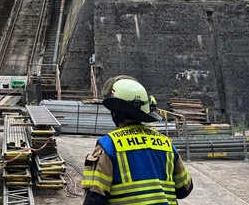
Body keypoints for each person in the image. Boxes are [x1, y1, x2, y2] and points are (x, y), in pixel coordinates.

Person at [81, 75, 193, 205]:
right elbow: (184, 189)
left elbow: (94, 199)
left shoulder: (109, 145)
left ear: (115, 112)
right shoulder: (166, 144)